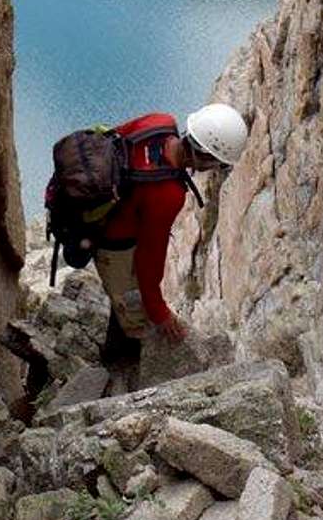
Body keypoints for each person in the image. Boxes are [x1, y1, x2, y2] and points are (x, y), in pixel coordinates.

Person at [94, 102, 248, 368]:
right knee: (132, 307)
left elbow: (110, 139)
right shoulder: (167, 194)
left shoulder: (159, 123)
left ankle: (118, 351)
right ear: (206, 156)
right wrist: (159, 312)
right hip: (113, 242)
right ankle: (119, 365)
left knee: (127, 297)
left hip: (103, 218)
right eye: (219, 164)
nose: (216, 169)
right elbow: (149, 258)